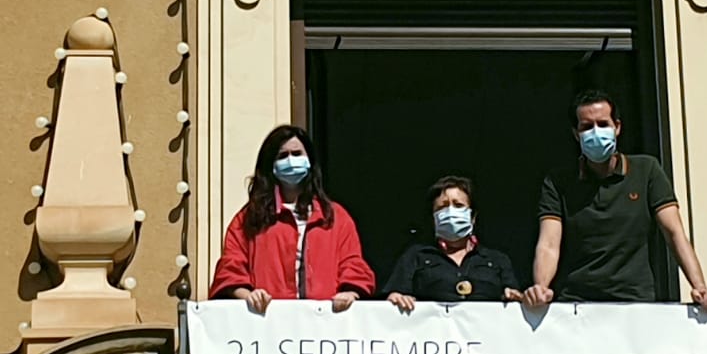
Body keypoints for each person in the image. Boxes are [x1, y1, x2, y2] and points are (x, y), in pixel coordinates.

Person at [525, 90, 707, 312]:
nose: (596, 132)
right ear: (576, 133)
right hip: (576, 305)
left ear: (617, 127)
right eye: (587, 126)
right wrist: (541, 287)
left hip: (636, 303)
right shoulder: (558, 181)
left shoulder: (647, 171)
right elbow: (549, 243)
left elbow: (674, 233)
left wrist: (700, 287)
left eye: (603, 124)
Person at [210, 124, 375, 312]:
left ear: (309, 160)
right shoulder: (249, 218)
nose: (290, 160)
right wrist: (248, 295)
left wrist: (350, 293)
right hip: (268, 320)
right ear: (270, 165)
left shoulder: (335, 217)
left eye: (297, 154)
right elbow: (231, 267)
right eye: (282, 156)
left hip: (324, 321)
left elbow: (353, 265)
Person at [384, 176, 525, 310]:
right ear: (434, 218)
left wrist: (514, 297)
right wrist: (396, 299)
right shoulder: (416, 256)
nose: (451, 212)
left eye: (458, 205)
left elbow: (514, 299)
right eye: (442, 207)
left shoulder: (497, 260)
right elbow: (394, 298)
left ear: (473, 217)